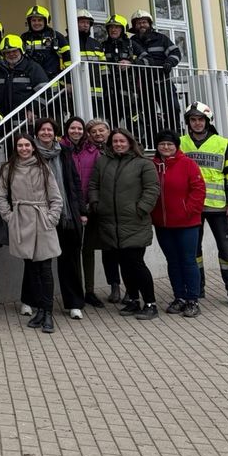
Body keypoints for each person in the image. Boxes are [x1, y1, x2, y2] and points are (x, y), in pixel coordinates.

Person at [89, 129, 160, 321]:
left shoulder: (143, 163)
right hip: (110, 223)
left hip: (134, 222)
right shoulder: (103, 161)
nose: (118, 144)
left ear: (130, 142)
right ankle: (133, 300)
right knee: (124, 265)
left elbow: (152, 188)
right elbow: (94, 184)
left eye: (122, 141)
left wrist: (141, 209)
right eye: (115, 142)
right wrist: (96, 204)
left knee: (136, 264)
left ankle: (150, 303)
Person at [0, 134, 63, 333]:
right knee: (31, 269)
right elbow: (0, 196)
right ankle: (39, 310)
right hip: (21, 222)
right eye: (20, 145)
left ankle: (48, 313)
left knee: (45, 269)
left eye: (27, 145)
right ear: (15, 148)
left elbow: (56, 198)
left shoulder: (43, 168)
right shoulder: (8, 169)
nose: (24, 148)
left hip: (42, 221)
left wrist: (51, 219)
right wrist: (10, 217)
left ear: (33, 148)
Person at [179, 102, 228, 307]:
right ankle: (197, 289)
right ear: (188, 122)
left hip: (219, 207)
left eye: (200, 119)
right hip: (192, 207)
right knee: (192, 251)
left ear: (207, 121)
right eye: (193, 119)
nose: (197, 123)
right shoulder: (180, 143)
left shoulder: (221, 143)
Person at [33, 118, 85, 319]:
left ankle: (73, 303)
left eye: (50, 130)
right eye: (42, 129)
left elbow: (74, 181)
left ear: (55, 133)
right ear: (37, 133)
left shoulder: (64, 152)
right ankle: (36, 302)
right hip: (42, 214)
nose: (46, 133)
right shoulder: (31, 151)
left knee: (70, 260)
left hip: (66, 214)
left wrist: (80, 210)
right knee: (38, 262)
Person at [152, 130, 206, 317]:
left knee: (188, 261)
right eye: (162, 144)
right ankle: (179, 297)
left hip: (187, 224)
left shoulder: (188, 164)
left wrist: (187, 211)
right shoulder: (153, 165)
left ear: (176, 146)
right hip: (162, 224)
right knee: (173, 262)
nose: (166, 147)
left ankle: (193, 299)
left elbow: (198, 190)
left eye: (170, 144)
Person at [63, 117, 107, 308]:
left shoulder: (94, 152)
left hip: (89, 207)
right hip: (69, 207)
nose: (76, 131)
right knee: (71, 252)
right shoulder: (61, 149)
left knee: (87, 250)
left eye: (79, 128)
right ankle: (76, 292)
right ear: (67, 130)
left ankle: (89, 291)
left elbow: (97, 179)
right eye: (72, 128)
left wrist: (92, 202)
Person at [131, 9, 184, 134]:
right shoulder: (131, 42)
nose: (141, 25)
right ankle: (154, 138)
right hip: (143, 84)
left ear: (150, 24)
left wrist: (169, 63)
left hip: (162, 81)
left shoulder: (161, 38)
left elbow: (175, 53)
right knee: (148, 113)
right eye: (138, 23)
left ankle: (173, 135)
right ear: (134, 26)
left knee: (172, 109)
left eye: (144, 22)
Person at [101, 15, 144, 130]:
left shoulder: (131, 44)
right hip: (110, 92)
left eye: (117, 27)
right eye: (111, 27)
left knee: (135, 125)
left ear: (123, 29)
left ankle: (136, 146)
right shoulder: (103, 46)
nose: (113, 30)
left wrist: (131, 63)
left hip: (130, 91)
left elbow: (148, 59)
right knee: (110, 125)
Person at [0, 35, 49, 117]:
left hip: (26, 122)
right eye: (7, 52)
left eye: (14, 51)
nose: (11, 54)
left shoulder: (32, 68)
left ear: (21, 50)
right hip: (4, 123)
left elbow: (45, 91)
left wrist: (33, 109)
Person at [20, 5, 71, 79]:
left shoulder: (56, 37)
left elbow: (68, 60)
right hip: (31, 80)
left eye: (40, 20)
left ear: (46, 21)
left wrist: (68, 81)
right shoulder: (24, 38)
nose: (36, 23)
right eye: (33, 20)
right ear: (29, 22)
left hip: (53, 81)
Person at [74, 9, 107, 118]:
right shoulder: (68, 42)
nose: (85, 25)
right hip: (76, 90)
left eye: (88, 23)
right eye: (82, 22)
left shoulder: (96, 44)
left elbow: (104, 67)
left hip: (97, 91)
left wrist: (107, 84)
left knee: (97, 119)